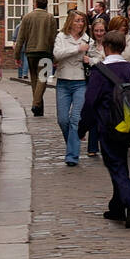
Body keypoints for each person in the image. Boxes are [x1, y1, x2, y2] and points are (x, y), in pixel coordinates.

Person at [78, 28, 130, 228]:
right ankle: (117, 208)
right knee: (119, 163)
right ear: (123, 47)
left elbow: (90, 102)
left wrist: (82, 128)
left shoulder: (99, 71)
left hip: (108, 126)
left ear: (105, 47)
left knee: (116, 165)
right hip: (129, 125)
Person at [52, 9, 90, 166]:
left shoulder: (88, 39)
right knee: (62, 120)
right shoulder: (61, 37)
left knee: (75, 119)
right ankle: (73, 144)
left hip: (80, 82)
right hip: (63, 81)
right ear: (70, 22)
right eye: (77, 20)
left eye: (82, 20)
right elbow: (57, 54)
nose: (80, 23)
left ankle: (72, 156)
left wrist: (90, 59)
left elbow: (93, 57)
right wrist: (77, 49)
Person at [14, 0, 58, 116]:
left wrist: (17, 56)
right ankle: (36, 103)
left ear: (35, 4)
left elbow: (20, 38)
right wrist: (55, 57)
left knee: (35, 79)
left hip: (31, 52)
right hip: (46, 52)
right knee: (42, 79)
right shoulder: (50, 18)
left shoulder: (27, 17)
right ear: (46, 5)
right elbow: (54, 38)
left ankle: (38, 109)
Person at [84, 15, 109, 156]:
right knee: (93, 112)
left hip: (107, 82)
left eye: (102, 31)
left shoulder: (109, 45)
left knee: (106, 114)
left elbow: (106, 62)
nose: (99, 34)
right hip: (93, 81)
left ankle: (107, 145)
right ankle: (92, 147)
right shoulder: (90, 45)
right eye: (97, 31)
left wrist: (92, 60)